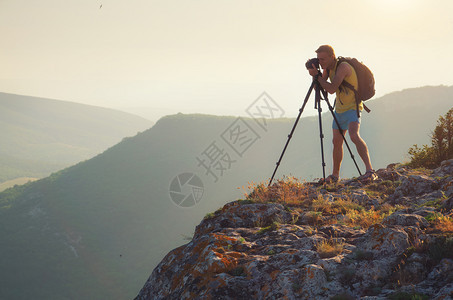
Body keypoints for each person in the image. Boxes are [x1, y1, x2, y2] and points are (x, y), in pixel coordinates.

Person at [308, 45, 377, 183]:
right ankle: (335, 175)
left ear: (332, 56)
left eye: (323, 59)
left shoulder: (343, 67)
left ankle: (370, 171)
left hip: (353, 107)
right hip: (339, 110)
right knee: (337, 141)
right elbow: (319, 88)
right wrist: (314, 76)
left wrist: (318, 76)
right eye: (318, 59)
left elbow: (332, 89)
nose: (321, 62)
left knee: (353, 135)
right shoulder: (327, 69)